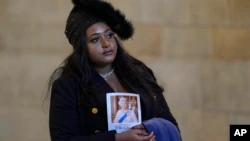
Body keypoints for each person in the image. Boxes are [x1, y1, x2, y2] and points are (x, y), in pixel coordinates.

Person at [47, 0, 181, 141]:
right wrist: (117, 138)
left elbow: (171, 126)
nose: (106, 44)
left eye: (109, 35)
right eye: (95, 40)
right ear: (81, 48)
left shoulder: (140, 73)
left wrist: (150, 130)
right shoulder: (68, 86)